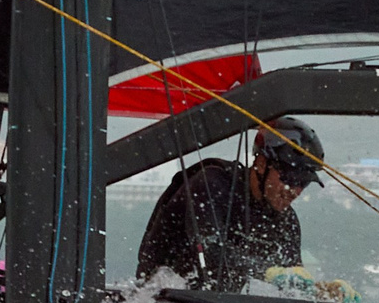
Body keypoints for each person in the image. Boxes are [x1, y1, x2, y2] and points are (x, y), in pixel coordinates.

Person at [136, 118, 324, 291]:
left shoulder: (286, 221)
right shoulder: (212, 184)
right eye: (289, 178)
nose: (295, 190)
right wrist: (267, 272)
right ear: (260, 163)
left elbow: (294, 280)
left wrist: (321, 291)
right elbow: (211, 251)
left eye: (304, 182)